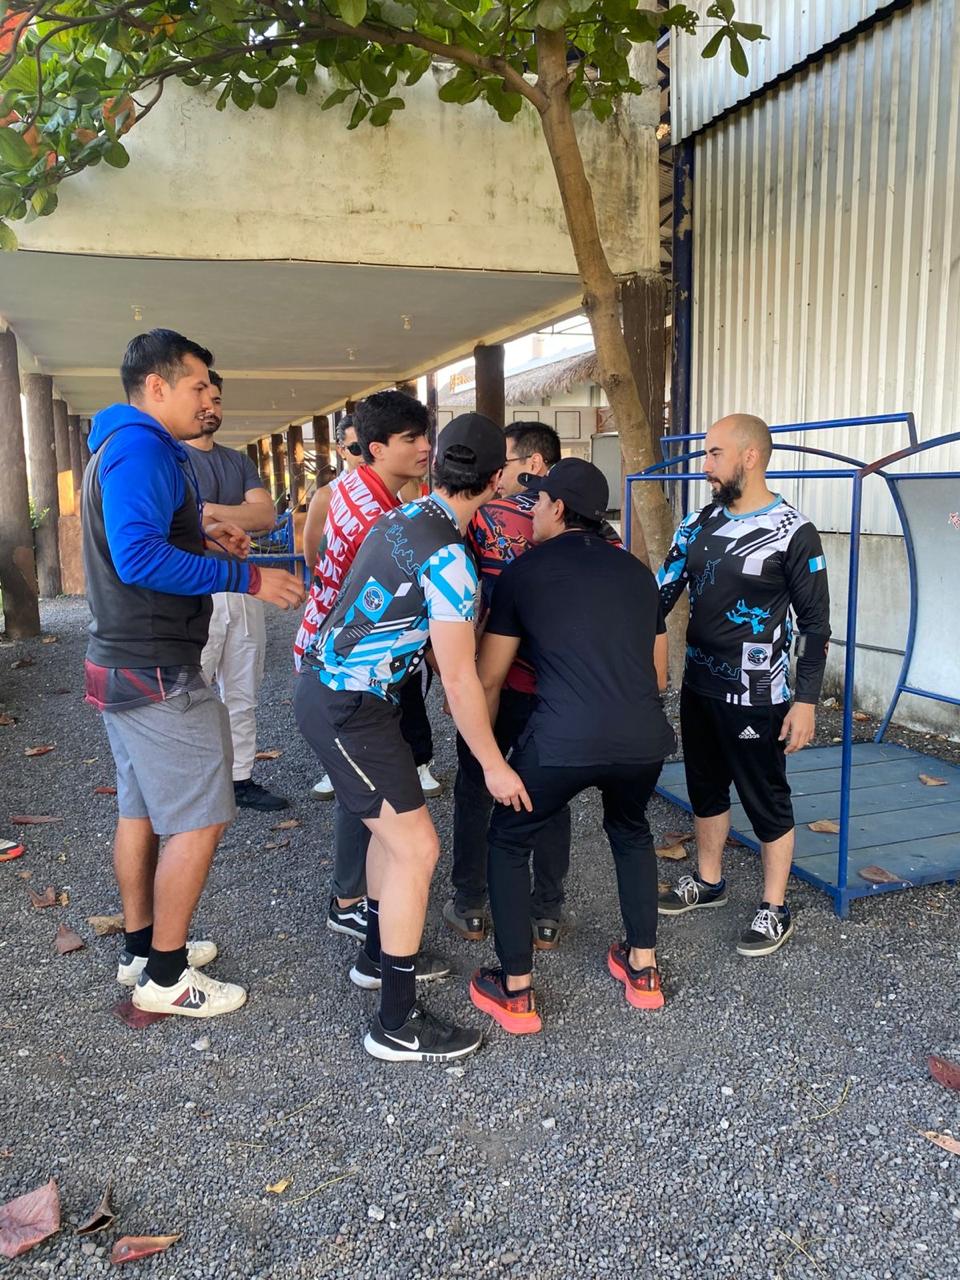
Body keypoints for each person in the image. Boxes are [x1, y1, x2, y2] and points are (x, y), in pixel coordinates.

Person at [82, 329, 305, 1019]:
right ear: (157, 386)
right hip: (155, 665)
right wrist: (248, 577)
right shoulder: (143, 448)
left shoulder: (121, 446)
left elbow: (148, 536)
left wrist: (204, 534)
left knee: (141, 809)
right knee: (202, 816)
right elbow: (138, 557)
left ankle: (141, 950)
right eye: (199, 385)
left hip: (121, 656)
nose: (210, 397)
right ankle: (166, 977)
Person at [294, 413, 530, 1063]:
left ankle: (378, 957)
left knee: (393, 836)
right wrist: (493, 764)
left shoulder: (406, 514)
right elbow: (458, 677)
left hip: (345, 695)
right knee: (419, 849)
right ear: (496, 480)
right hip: (349, 707)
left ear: (438, 464)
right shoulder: (451, 559)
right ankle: (395, 1024)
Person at [471, 459, 676, 1033]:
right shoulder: (638, 573)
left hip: (561, 739)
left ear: (559, 510)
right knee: (631, 831)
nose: (530, 512)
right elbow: (659, 676)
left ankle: (516, 990)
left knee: (509, 839)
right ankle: (643, 969)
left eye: (537, 503)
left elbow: (489, 677)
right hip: (641, 740)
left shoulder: (524, 572)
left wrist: (488, 756)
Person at [656, 413, 831, 956]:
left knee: (765, 797)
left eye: (714, 454)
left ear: (750, 457)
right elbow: (659, 594)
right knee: (705, 787)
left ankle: (775, 907)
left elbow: (815, 624)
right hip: (700, 683)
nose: (705, 465)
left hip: (759, 693)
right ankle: (709, 881)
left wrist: (805, 701)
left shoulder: (794, 531)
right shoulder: (698, 522)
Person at [292, 392, 433, 942]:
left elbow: (314, 559)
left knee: (363, 776)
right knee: (367, 778)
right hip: (347, 663)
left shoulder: (347, 488)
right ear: (376, 448)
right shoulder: (382, 519)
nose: (424, 447)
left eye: (425, 436)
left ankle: (356, 893)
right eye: (410, 439)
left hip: (327, 642)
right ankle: (348, 898)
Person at [445, 422, 572, 948]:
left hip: (492, 682)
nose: (498, 475)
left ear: (535, 464)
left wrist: (454, 674)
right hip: (560, 689)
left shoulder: (484, 517)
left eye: (507, 462)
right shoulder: (591, 526)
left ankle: (471, 904)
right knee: (551, 794)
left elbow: (458, 594)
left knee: (476, 784)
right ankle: (547, 914)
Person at [185, 371, 288, 812]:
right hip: (194, 585)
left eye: (218, 399)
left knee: (243, 688)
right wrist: (228, 514)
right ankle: (194, 780)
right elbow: (174, 521)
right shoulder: (170, 459)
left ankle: (240, 777)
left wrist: (206, 511)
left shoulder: (237, 461)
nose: (211, 407)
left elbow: (265, 516)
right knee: (190, 688)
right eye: (202, 396)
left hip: (244, 587)